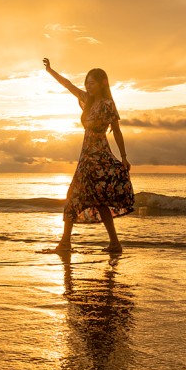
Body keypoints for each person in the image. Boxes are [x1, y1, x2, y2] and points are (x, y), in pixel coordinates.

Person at [43, 58, 134, 254]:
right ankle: (113, 244)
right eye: (86, 83)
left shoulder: (108, 104)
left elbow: (116, 131)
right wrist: (50, 70)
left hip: (100, 158)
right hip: (86, 159)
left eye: (92, 82)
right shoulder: (87, 101)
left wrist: (124, 157)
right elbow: (67, 85)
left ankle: (68, 244)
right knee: (88, 200)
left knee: (82, 198)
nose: (88, 86)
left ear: (102, 83)